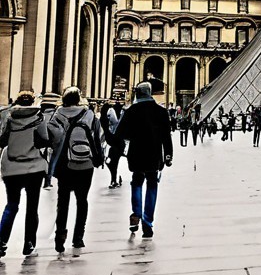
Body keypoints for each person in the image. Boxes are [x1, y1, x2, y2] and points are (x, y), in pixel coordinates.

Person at [110, 82, 173, 239]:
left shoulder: (131, 111)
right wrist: (168, 155)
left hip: (136, 153)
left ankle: (136, 214)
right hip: (154, 154)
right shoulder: (161, 111)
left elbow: (119, 134)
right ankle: (147, 221)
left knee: (137, 182)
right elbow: (166, 136)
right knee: (152, 184)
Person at [49, 87, 104, 253]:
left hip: (64, 164)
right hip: (85, 163)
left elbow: (52, 138)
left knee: (63, 202)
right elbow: (98, 137)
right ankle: (78, 237)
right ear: (79, 99)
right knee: (82, 200)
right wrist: (98, 157)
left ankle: (60, 237)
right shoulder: (89, 114)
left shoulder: (57, 115)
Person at [0, 91, 54, 258]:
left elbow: (2, 140)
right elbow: (45, 140)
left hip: (11, 167)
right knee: (32, 207)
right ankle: (29, 244)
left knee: (11, 205)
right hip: (34, 167)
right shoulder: (39, 117)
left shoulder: (9, 117)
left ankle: (1, 241)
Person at [102, 102, 123, 188]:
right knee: (113, 162)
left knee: (112, 162)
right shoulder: (114, 113)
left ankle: (114, 179)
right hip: (115, 143)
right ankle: (115, 179)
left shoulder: (105, 117)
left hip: (112, 144)